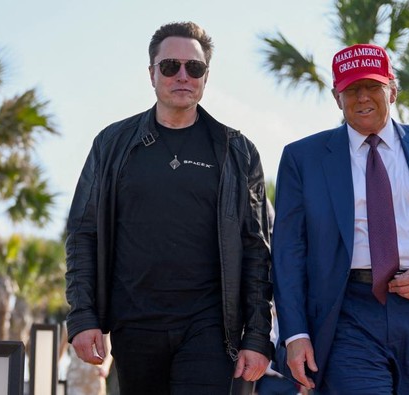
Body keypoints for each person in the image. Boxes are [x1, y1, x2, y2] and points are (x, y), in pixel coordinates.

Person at [64, 21, 274, 395]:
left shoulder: (236, 152)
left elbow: (257, 249)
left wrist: (257, 336)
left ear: (205, 77)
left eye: (194, 68)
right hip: (134, 325)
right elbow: (83, 233)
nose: (182, 76)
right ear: (151, 73)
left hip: (210, 328)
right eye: (169, 66)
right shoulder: (112, 145)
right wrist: (82, 316)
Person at [271, 43, 409, 394]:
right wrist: (295, 333)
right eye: (351, 90)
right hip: (346, 315)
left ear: (393, 89)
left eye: (373, 86)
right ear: (336, 97)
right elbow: (287, 252)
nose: (362, 98)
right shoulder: (303, 158)